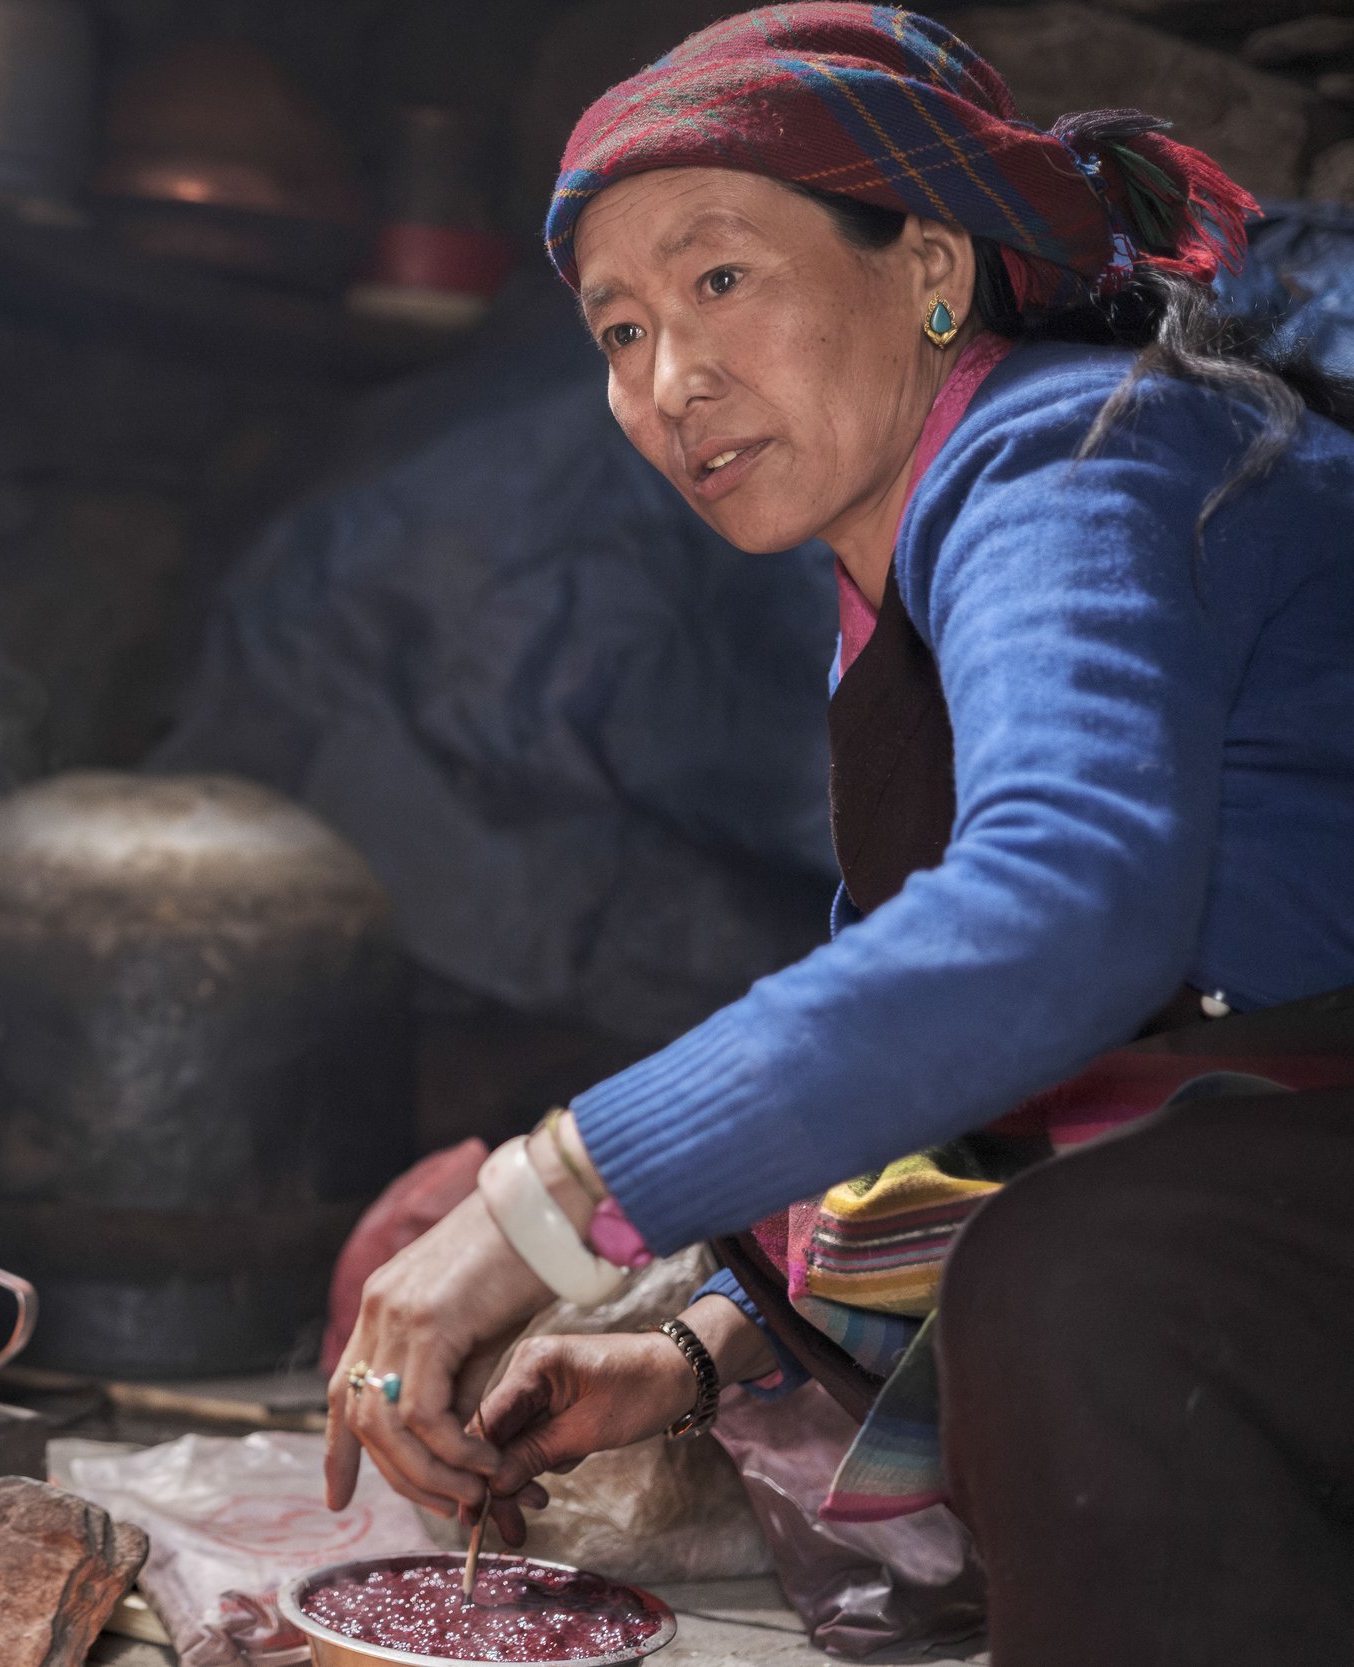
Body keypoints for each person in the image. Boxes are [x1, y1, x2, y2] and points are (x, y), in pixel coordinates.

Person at [319, 8, 1354, 1661]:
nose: (670, 380)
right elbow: (964, 1052)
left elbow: (1061, 913)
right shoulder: (904, 564)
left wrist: (534, 1205)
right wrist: (707, 1347)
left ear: (931, 266)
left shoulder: (1076, 459)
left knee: (1087, 1278)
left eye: (721, 279)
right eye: (619, 328)